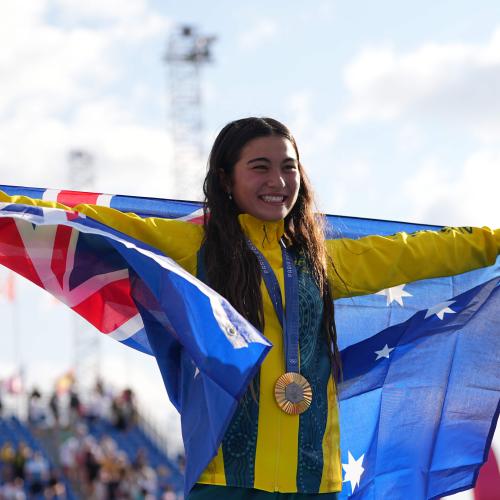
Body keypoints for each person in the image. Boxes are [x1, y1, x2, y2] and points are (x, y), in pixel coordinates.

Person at [0, 117, 499, 499]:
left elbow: (423, 250)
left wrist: (493, 242)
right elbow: (96, 223)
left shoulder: (326, 260)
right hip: (225, 479)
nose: (277, 180)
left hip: (315, 482)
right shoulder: (194, 247)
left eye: (288, 166)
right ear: (226, 178)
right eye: (259, 167)